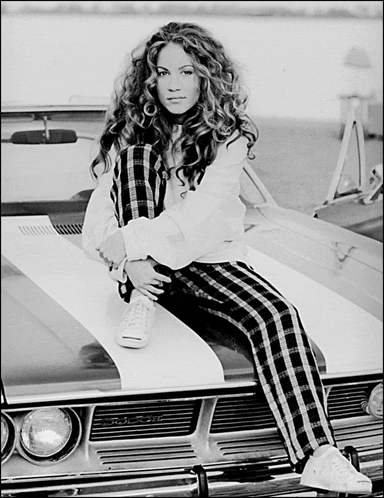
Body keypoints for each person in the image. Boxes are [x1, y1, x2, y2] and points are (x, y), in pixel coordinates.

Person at [82, 21, 372, 495]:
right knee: (138, 158)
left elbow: (204, 214)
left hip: (209, 260)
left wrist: (132, 249)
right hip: (145, 271)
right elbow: (99, 220)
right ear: (150, 79)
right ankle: (142, 294)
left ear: (206, 77)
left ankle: (320, 454)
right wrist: (129, 263)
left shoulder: (228, 137)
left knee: (277, 314)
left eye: (186, 72)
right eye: (162, 72)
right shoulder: (134, 135)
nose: (173, 83)